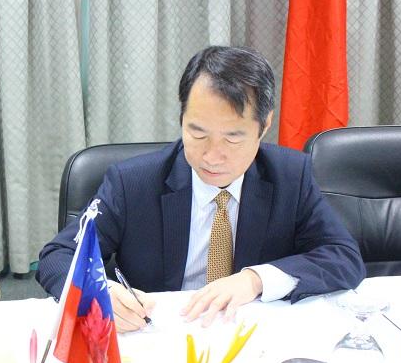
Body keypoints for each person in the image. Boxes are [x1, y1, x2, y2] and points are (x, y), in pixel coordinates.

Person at [37, 46, 365, 332]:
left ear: (264, 127)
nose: (212, 155)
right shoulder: (133, 183)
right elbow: (58, 255)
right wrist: (95, 290)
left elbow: (344, 258)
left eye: (233, 137)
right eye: (197, 132)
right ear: (182, 118)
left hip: (250, 341)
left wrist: (255, 280)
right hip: (157, 339)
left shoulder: (289, 176)